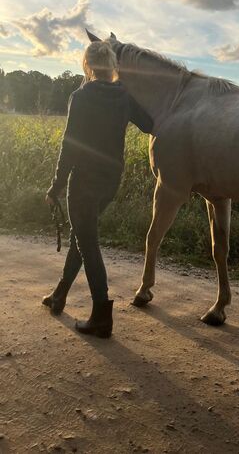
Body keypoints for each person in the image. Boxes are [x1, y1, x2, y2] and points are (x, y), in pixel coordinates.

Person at [43, 40, 153, 338]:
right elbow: (151, 124)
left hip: (84, 181)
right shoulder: (125, 96)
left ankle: (102, 316)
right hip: (111, 181)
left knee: (86, 242)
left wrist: (55, 185)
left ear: (88, 65)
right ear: (113, 66)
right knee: (82, 235)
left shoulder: (81, 96)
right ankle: (59, 296)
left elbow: (70, 145)